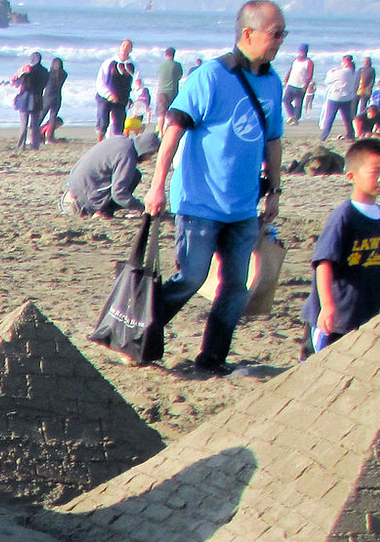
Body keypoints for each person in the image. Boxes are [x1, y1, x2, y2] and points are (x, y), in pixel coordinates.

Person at [140, 0, 286, 374]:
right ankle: (140, 332)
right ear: (247, 33)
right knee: (191, 277)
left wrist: (274, 190)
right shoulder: (210, 76)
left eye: (283, 33)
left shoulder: (271, 81)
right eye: (275, 33)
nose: (280, 40)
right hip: (200, 201)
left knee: (237, 287)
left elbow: (273, 140)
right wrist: (157, 186)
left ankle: (212, 358)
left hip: (243, 206)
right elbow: (173, 130)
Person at [303, 135, 380, 356]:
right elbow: (323, 263)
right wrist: (327, 306)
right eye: (375, 172)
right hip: (334, 315)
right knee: (317, 367)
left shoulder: (379, 214)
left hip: (361, 311)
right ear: (352, 175)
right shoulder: (344, 215)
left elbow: (368, 260)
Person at [65, 123, 152, 215]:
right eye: (150, 154)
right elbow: (119, 194)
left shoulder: (120, 140)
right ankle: (102, 211)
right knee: (134, 176)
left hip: (73, 186)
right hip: (84, 199)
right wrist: (142, 208)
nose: (149, 159)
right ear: (145, 149)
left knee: (132, 174)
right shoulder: (126, 155)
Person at [97, 40, 135, 137]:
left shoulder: (133, 66)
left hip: (122, 98)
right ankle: (99, 145)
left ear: (131, 50)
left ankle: (116, 146)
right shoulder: (109, 63)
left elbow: (137, 82)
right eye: (123, 45)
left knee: (119, 127)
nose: (125, 47)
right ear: (120, 47)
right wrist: (109, 95)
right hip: (105, 97)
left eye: (128, 46)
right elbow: (100, 81)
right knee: (103, 123)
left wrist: (139, 98)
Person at [15, 52, 48, 149]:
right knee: (35, 125)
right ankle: (35, 146)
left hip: (25, 100)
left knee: (24, 124)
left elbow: (20, 84)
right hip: (37, 99)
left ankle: (21, 146)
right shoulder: (45, 72)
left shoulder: (28, 71)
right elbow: (44, 85)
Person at [321, 54, 357, 141]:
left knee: (330, 117)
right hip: (348, 97)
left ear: (345, 62)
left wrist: (331, 72)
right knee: (347, 118)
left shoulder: (341, 72)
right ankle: (350, 135)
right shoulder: (354, 73)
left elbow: (327, 81)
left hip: (336, 97)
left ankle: (324, 136)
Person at [282, 42, 312, 122]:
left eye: (302, 51)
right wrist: (285, 80)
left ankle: (296, 119)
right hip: (291, 84)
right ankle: (292, 116)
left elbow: (310, 75)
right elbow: (291, 70)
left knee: (298, 104)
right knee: (285, 100)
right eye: (300, 51)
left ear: (305, 52)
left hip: (300, 86)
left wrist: (306, 86)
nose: (300, 52)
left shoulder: (308, 62)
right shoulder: (295, 61)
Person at [154, 46, 183, 124]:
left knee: (161, 113)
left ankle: (161, 132)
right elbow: (179, 76)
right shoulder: (177, 65)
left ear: (165, 54)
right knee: (171, 113)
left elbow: (158, 76)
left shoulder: (161, 66)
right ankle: (168, 129)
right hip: (172, 91)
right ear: (174, 54)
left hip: (161, 91)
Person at [43, 57, 67, 142]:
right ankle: (50, 138)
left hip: (48, 96)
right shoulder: (64, 74)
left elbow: (44, 84)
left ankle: (33, 136)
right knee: (52, 117)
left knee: (40, 117)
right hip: (57, 97)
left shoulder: (49, 74)